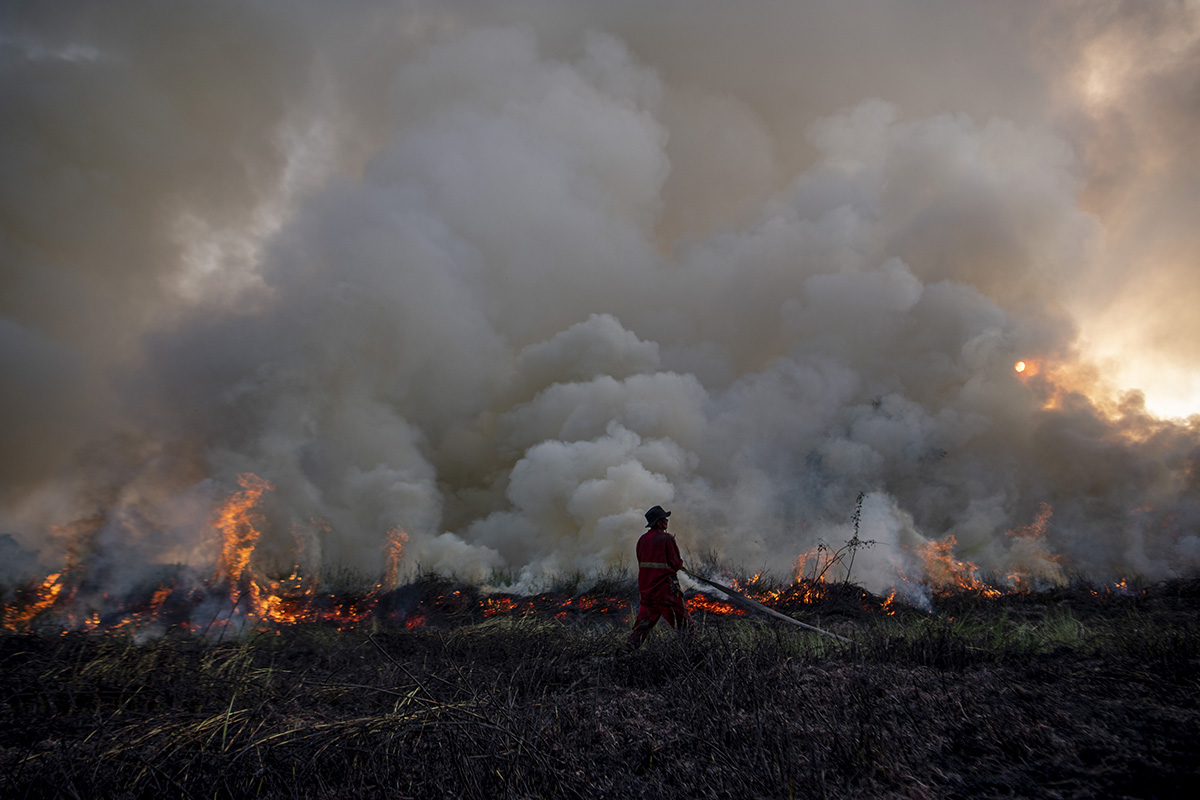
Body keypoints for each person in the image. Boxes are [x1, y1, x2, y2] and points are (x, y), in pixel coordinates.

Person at [626, 505, 693, 649]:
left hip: (647, 592)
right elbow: (675, 563)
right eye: (664, 519)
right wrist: (680, 565)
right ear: (659, 522)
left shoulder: (642, 540)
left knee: (641, 628)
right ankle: (693, 658)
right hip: (666, 592)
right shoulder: (667, 538)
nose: (666, 522)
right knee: (685, 627)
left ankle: (626, 653)